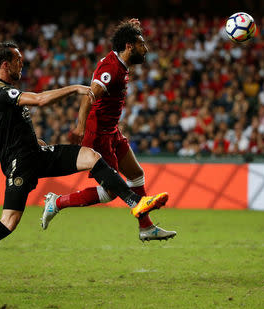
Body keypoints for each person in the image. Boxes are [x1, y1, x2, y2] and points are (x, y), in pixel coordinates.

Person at [0, 42, 169, 291]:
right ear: (6, 64)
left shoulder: (2, 89)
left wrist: (34, 141)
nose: (23, 64)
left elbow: (12, 126)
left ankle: (135, 203)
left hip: (36, 153)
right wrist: (75, 88)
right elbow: (40, 100)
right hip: (20, 164)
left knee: (91, 156)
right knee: (8, 222)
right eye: (18, 60)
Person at [48, 19, 177, 242]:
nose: (145, 49)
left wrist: (129, 25)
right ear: (129, 46)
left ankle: (146, 228)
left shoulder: (119, 62)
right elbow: (90, 96)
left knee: (136, 175)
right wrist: (79, 127)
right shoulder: (112, 69)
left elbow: (121, 38)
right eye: (141, 44)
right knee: (109, 191)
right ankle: (57, 202)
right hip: (98, 133)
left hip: (111, 131)